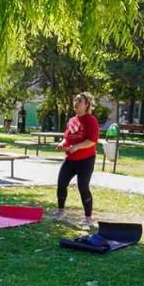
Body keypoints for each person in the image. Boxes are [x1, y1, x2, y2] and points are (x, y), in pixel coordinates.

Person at [52, 92, 100, 227]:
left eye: (80, 101)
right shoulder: (72, 120)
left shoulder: (91, 120)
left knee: (83, 186)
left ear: (87, 105)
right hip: (70, 159)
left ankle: (88, 218)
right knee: (61, 183)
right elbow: (67, 137)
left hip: (86, 160)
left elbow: (92, 141)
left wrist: (77, 147)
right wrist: (62, 144)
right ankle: (60, 211)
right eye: (75, 100)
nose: (76, 103)